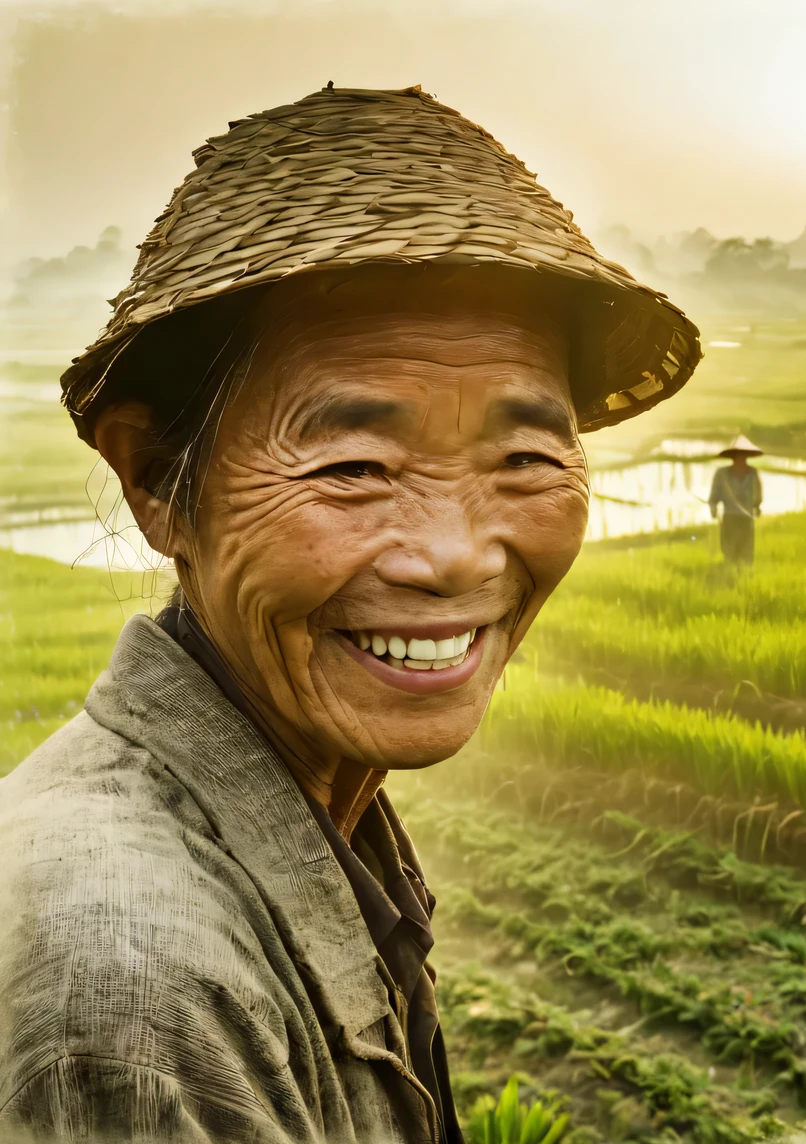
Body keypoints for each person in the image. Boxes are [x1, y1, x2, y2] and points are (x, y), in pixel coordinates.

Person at [0, 86, 700, 1143]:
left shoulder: (311, 797)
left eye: (523, 458)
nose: (456, 554)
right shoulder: (133, 988)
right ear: (154, 482)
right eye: (356, 465)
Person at [708, 434, 764, 564]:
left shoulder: (752, 473)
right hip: (730, 517)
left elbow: (758, 495)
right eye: (737, 456)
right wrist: (713, 508)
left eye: (743, 456)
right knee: (730, 551)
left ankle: (745, 578)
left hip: (747, 517)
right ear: (732, 458)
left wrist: (757, 506)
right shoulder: (722, 474)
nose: (740, 459)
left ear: (747, 457)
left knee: (746, 551)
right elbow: (714, 496)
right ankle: (729, 574)